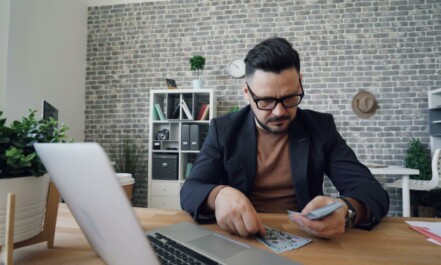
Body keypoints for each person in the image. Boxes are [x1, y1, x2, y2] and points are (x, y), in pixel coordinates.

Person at [180, 37, 389, 239]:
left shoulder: (320, 128)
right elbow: (190, 190)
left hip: (306, 239)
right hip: (239, 238)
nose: (279, 112)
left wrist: (348, 211)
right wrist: (218, 196)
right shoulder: (223, 130)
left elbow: (371, 190)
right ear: (246, 92)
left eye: (290, 97)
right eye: (266, 101)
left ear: (300, 84)